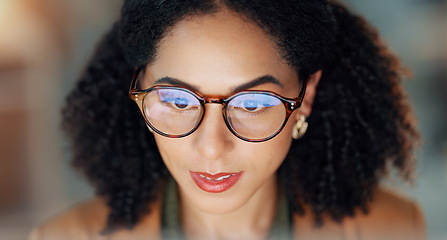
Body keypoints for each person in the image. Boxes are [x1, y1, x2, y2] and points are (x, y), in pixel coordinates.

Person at [29, 0, 426, 239]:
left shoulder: (393, 229)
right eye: (176, 100)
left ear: (306, 97)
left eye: (252, 104)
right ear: (139, 91)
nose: (211, 147)